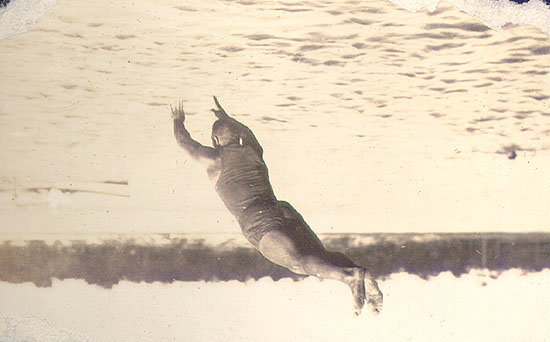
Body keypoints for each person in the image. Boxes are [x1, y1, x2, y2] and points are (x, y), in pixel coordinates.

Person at [171, 97, 383, 315]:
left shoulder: (215, 161)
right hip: (280, 209)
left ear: (215, 140)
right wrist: (228, 118)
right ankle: (362, 277)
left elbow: (184, 142)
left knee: (298, 263)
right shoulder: (254, 149)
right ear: (238, 136)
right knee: (318, 256)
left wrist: (178, 120)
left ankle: (349, 278)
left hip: (258, 222)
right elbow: (247, 132)